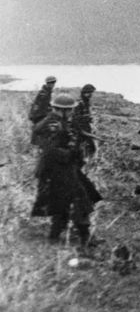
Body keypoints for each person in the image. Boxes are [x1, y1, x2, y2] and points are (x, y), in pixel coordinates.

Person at [30, 92, 101, 245]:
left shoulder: (59, 121)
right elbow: (50, 150)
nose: (71, 112)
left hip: (64, 169)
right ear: (61, 109)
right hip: (56, 170)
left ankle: (57, 237)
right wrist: (71, 153)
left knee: (65, 202)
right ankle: (84, 237)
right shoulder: (52, 125)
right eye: (69, 110)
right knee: (78, 199)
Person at [72, 83, 97, 158]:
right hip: (80, 129)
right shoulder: (79, 103)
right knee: (84, 148)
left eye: (91, 93)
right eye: (88, 93)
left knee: (90, 147)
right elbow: (75, 117)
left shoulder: (87, 102)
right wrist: (86, 118)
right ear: (84, 93)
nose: (90, 95)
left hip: (86, 128)